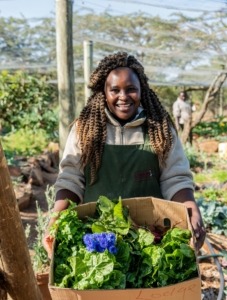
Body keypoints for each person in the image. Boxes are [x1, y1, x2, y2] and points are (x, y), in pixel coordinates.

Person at [43, 52, 205, 257]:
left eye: (131, 90)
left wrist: (191, 210)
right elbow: (71, 180)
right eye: (115, 90)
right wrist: (55, 218)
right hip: (96, 238)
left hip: (151, 239)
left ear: (141, 91)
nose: (123, 97)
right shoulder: (85, 130)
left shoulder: (159, 130)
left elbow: (176, 178)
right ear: (104, 92)